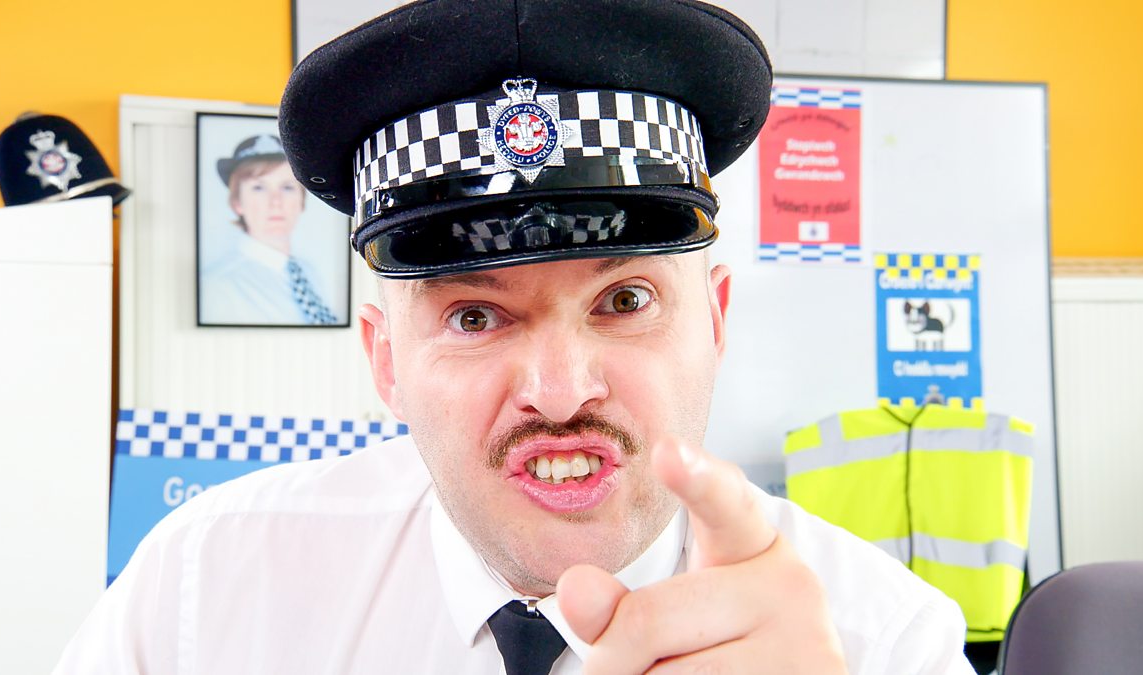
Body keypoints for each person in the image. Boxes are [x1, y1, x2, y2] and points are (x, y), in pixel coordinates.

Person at [56, 1, 975, 673]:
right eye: (474, 315)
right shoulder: (205, 592)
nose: (561, 391)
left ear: (716, 321)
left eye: (624, 301)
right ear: (385, 360)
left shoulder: (882, 641)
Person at [199, 134, 341, 326]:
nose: (275, 202)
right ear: (237, 202)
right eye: (259, 188)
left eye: (287, 188)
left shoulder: (310, 273)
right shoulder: (218, 285)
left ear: (301, 201)